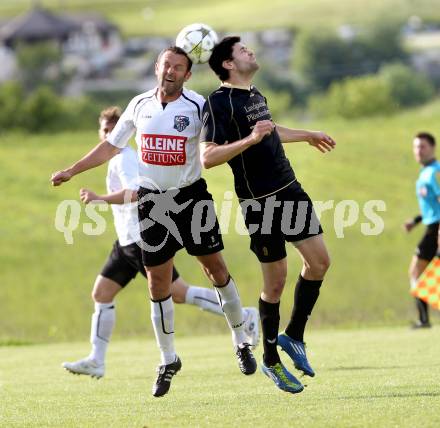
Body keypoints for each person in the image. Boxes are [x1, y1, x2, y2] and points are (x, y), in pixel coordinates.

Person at [51, 46, 257, 397]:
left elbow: (221, 142)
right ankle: (167, 359)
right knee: (157, 285)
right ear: (156, 68)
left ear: (188, 75)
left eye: (179, 67)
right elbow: (110, 148)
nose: (171, 71)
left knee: (216, 271)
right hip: (151, 202)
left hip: (190, 198)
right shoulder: (139, 104)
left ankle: (241, 340)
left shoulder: (197, 107)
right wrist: (73, 169)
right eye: (167, 65)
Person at [200, 36, 335, 394]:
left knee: (319, 263)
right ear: (228, 64)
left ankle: (294, 336)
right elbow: (208, 157)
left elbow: (270, 131)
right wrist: (249, 141)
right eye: (243, 51)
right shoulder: (218, 102)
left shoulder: (255, 95)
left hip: (289, 190)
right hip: (260, 203)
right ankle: (272, 360)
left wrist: (307, 134)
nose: (250, 52)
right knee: (275, 283)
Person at [404, 132, 440, 329]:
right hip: (431, 227)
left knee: (416, 272)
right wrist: (416, 220)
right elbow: (433, 205)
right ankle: (424, 319)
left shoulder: (435, 172)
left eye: (422, 146)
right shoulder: (426, 172)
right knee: (419, 273)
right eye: (416, 147)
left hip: (436, 230)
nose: (418, 151)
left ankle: (424, 320)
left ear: (433, 148)